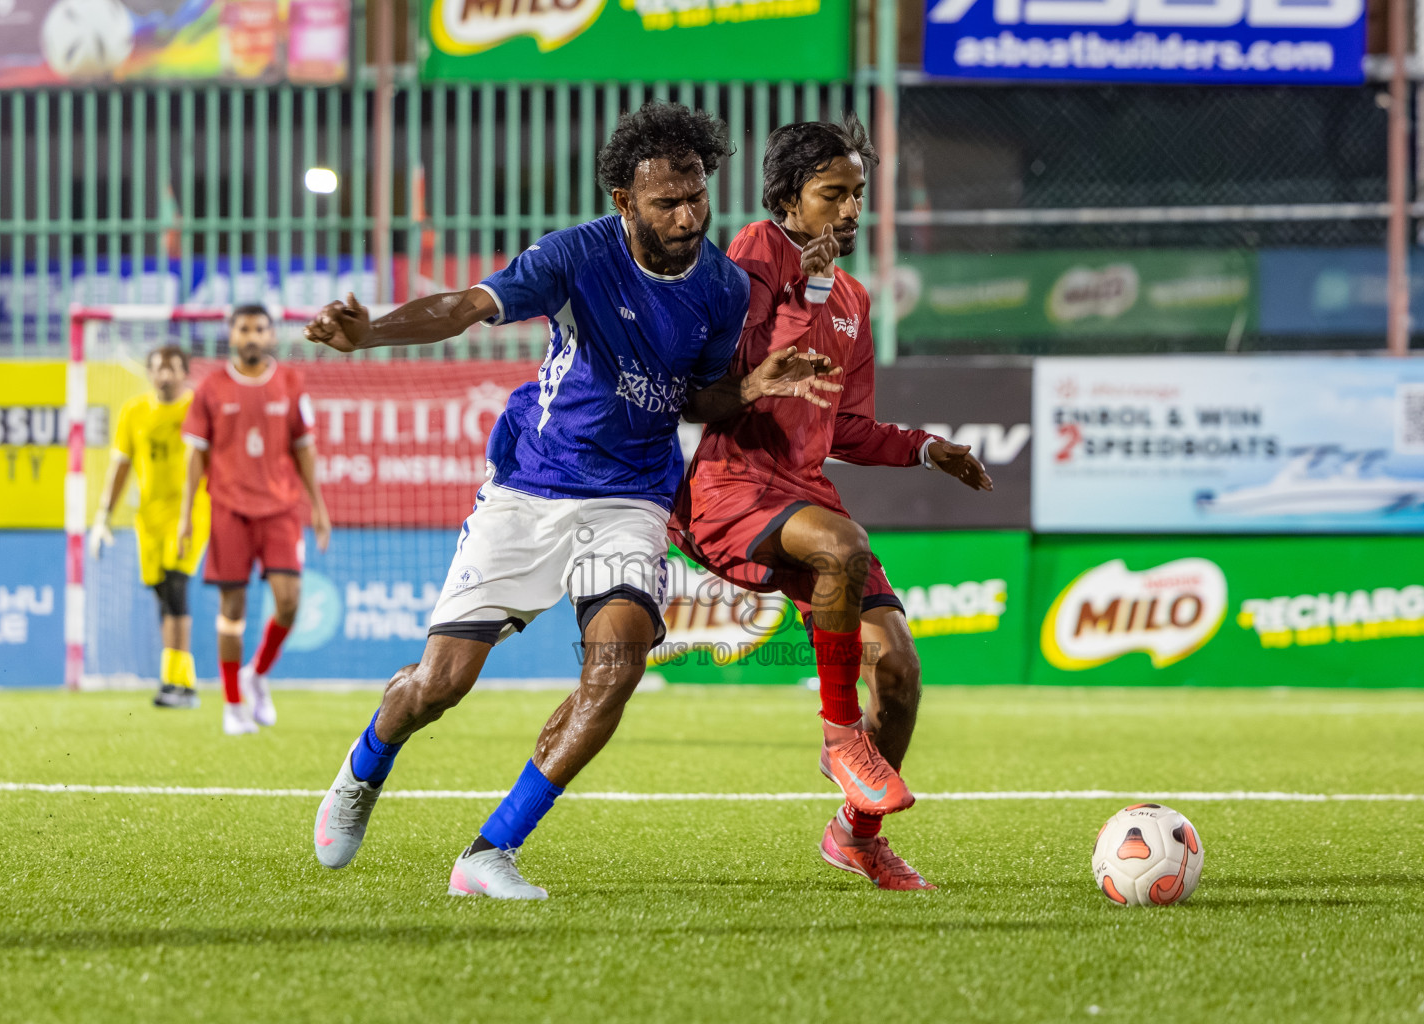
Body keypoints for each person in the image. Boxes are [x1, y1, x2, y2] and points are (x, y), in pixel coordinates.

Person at [303, 102, 840, 900]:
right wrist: (369, 332)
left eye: (697, 196)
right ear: (625, 201)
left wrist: (750, 387)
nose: (689, 216)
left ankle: (489, 853)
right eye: (667, 202)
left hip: (631, 497)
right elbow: (465, 308)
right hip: (533, 486)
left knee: (617, 666)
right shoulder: (574, 257)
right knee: (440, 684)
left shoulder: (723, 287)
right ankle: (365, 765)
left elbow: (697, 401)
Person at [671, 115, 992, 890]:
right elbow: (741, 372)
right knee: (842, 546)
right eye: (832, 194)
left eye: (856, 195)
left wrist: (923, 448)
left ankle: (856, 835)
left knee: (905, 676)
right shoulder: (754, 252)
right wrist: (803, 290)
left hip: (804, 489)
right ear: (789, 197)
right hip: (732, 483)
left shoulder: (853, 295)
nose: (849, 211)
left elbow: (842, 424)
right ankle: (839, 736)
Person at [177, 304, 332, 736]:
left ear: (270, 336)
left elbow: (303, 447)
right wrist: (187, 516)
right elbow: (195, 455)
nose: (251, 335)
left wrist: (318, 507)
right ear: (231, 334)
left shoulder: (289, 382)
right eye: (243, 328)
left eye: (259, 329)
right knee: (233, 608)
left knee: (289, 601)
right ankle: (231, 704)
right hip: (228, 508)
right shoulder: (211, 388)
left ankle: (256, 674)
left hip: (280, 508)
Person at [89, 345, 210, 709]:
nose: (166, 375)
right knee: (162, 593)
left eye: (173, 368)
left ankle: (184, 684)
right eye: (159, 368)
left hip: (192, 512)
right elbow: (121, 466)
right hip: (150, 518)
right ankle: (172, 681)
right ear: (149, 373)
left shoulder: (198, 409)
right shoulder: (134, 412)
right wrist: (102, 515)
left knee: (176, 587)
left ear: (186, 372)